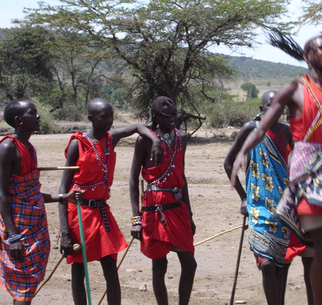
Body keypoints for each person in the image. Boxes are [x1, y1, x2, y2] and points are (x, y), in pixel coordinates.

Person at [231, 30, 322, 305]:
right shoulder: (293, 89)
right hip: (307, 174)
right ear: (307, 55)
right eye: (321, 48)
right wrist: (242, 152)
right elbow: (262, 126)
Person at [59, 98, 162, 305]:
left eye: (111, 115)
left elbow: (137, 127)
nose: (110, 120)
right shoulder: (77, 144)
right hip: (79, 212)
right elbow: (63, 190)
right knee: (79, 270)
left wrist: (156, 141)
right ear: (91, 118)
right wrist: (64, 234)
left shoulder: (110, 138)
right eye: (103, 116)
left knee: (111, 270)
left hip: (101, 213)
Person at [0, 99, 79, 305]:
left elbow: (31, 194)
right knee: (23, 290)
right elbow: (1, 194)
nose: (38, 116)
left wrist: (63, 197)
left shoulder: (30, 148)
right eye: (32, 112)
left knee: (28, 288)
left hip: (35, 227)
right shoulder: (7, 147)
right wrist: (13, 237)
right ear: (18, 120)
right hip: (19, 229)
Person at [224, 90, 294, 305]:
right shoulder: (249, 130)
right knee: (267, 264)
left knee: (280, 266)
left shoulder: (287, 132)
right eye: (270, 106)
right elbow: (228, 163)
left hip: (283, 209)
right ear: (262, 109)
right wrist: (243, 198)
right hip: (258, 207)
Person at [129, 96, 196, 305]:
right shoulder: (144, 141)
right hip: (153, 209)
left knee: (189, 263)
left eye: (175, 115)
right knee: (159, 265)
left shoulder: (181, 138)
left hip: (177, 207)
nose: (172, 119)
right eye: (167, 116)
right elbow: (132, 179)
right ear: (156, 117)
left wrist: (190, 215)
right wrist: (135, 220)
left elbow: (182, 176)